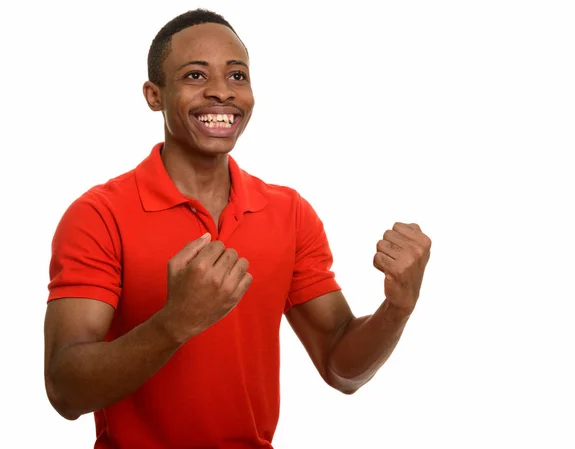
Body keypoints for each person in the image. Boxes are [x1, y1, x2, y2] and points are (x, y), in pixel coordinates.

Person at [44, 8, 432, 449]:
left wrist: (397, 309)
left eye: (237, 76)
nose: (220, 93)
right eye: (194, 75)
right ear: (155, 95)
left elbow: (340, 366)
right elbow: (64, 390)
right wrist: (174, 323)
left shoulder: (289, 212)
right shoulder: (99, 215)